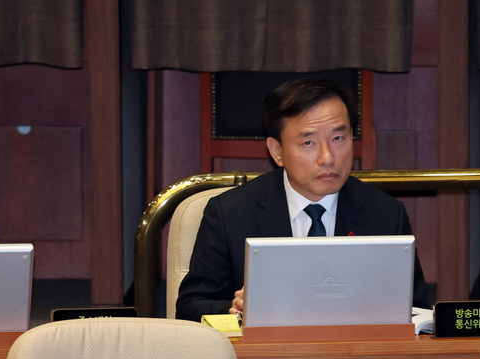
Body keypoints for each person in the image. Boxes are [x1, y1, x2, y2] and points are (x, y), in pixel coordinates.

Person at [175, 78, 429, 321]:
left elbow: (416, 310)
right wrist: (239, 308)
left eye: (338, 138)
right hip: (268, 351)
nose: (327, 158)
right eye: (308, 142)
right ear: (277, 151)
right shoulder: (230, 213)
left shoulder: (385, 214)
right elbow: (190, 307)